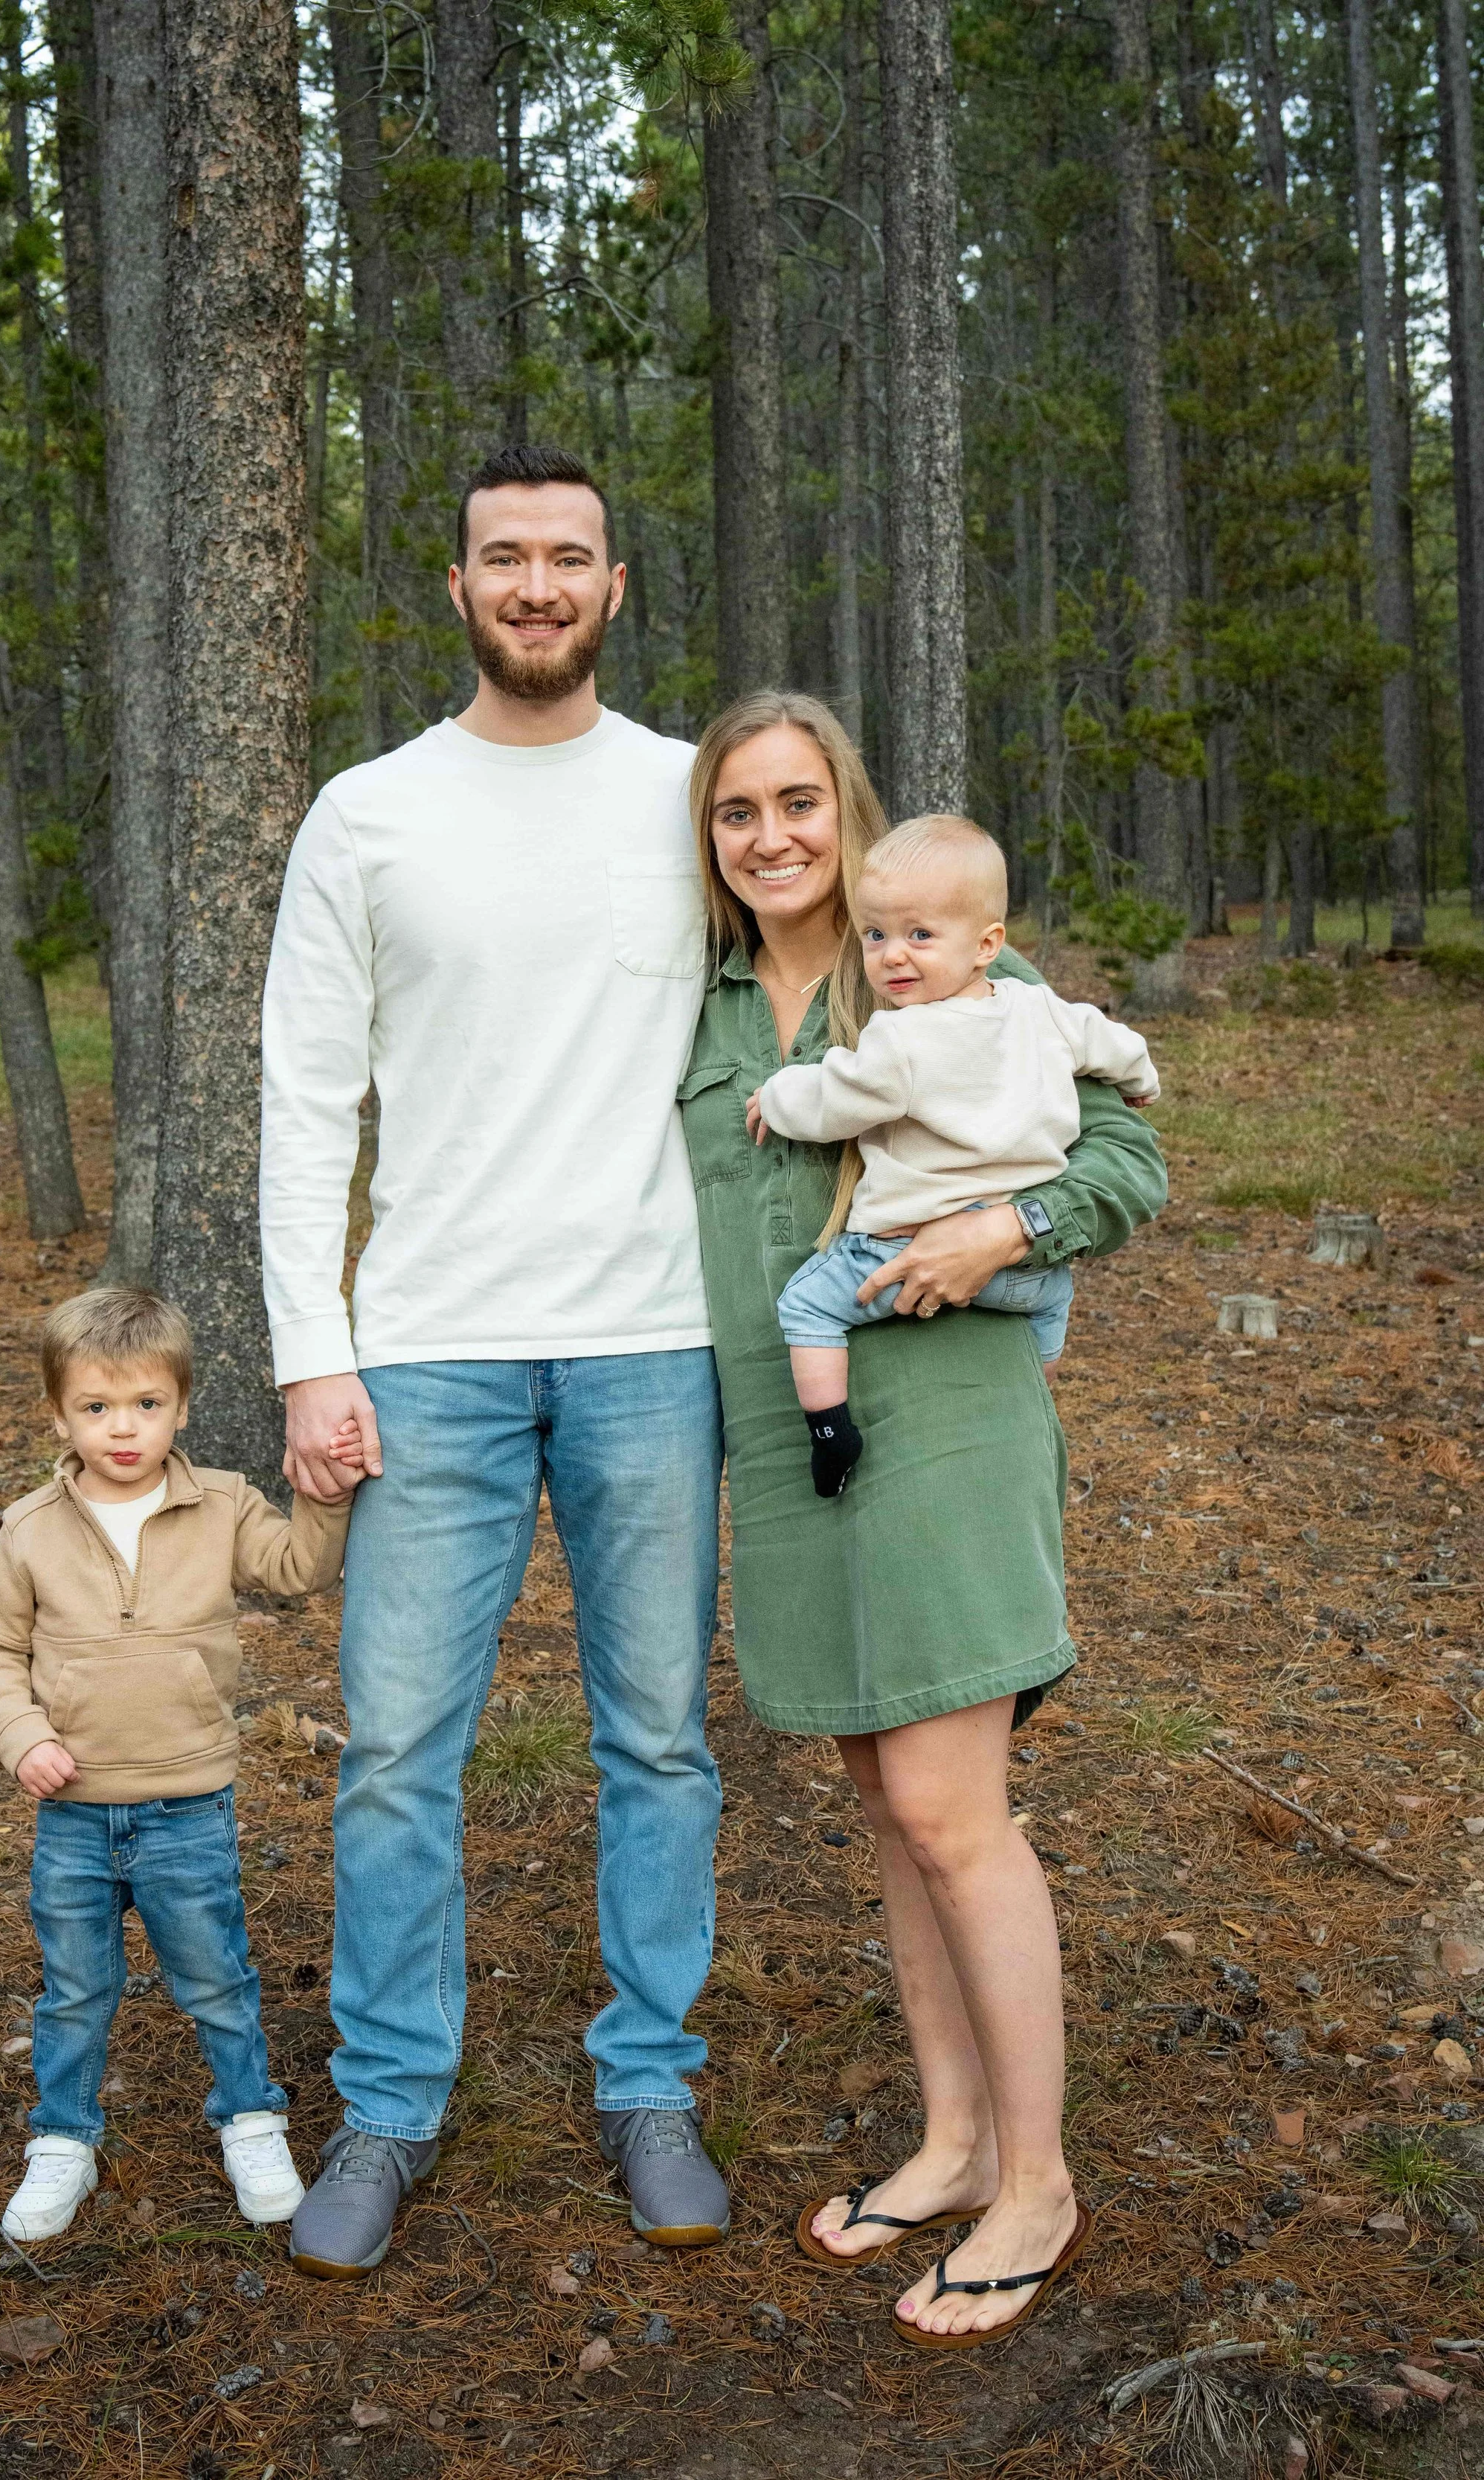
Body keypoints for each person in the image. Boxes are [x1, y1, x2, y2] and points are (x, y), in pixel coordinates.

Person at [260, 443, 730, 2278]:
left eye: (570, 558)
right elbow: (305, 1102)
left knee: (662, 1744)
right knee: (394, 1753)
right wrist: (318, 1353)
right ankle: (385, 2107)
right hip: (432, 1351)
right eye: (502, 558)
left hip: (653, 1342)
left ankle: (651, 2084)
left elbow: (857, 971)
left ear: (617, 589)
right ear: (452, 589)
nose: (537, 585)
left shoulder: (696, 796)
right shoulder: (368, 815)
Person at [678, 693, 1166, 2347]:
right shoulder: (698, 1008)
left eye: (798, 801)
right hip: (787, 1426)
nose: (772, 837)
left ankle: (1034, 2176)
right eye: (737, 810)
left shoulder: (971, 973)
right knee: (885, 1793)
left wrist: (1004, 1226)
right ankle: (950, 2137)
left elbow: (1125, 1160)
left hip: (945, 1411)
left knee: (956, 1805)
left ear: (848, 811)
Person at [0, 1287, 353, 2244]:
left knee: (215, 1976)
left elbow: (298, 1568)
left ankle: (252, 2120)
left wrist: (325, 1495)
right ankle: (62, 2138)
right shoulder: (31, 1528)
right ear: (59, 1416)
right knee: (75, 1988)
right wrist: (24, 1738)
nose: (123, 1428)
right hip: (75, 1811)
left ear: (180, 1407)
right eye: (96, 1408)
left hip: (188, 1806)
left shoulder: (219, 1504)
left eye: (145, 1404)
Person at [750, 812, 1160, 1496]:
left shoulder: (899, 1040)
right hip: (1025, 1269)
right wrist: (1141, 1082)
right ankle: (1039, 1408)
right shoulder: (1042, 1010)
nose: (892, 955)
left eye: (920, 935)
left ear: (987, 943)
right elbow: (1115, 1043)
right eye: (875, 934)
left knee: (808, 1309)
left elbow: (833, 1102)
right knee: (1051, 1318)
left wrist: (778, 1095)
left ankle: (829, 1435)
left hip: (900, 1251)